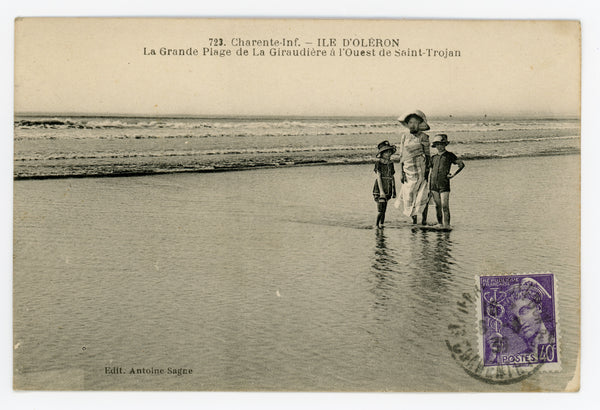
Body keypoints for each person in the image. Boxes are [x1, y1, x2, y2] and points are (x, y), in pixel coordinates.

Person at [395, 110, 431, 224]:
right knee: (409, 193)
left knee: (422, 194)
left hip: (421, 169)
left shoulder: (424, 137)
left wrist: (427, 172)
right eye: (410, 122)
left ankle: (424, 220)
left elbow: (428, 155)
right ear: (407, 124)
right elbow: (402, 154)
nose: (413, 125)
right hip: (408, 169)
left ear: (419, 124)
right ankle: (414, 219)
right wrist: (401, 172)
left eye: (415, 122)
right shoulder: (404, 136)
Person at [429, 134, 464, 228]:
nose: (439, 146)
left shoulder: (449, 155)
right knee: (437, 206)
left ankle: (447, 225)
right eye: (437, 144)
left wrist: (453, 174)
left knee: (445, 206)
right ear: (435, 145)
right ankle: (440, 224)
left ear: (445, 144)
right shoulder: (433, 157)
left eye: (442, 144)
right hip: (433, 184)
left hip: (444, 184)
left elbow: (461, 165)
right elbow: (430, 171)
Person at [373, 140, 397, 229]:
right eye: (386, 152)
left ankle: (381, 225)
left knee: (384, 210)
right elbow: (378, 177)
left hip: (388, 188)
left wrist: (394, 190)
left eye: (389, 152)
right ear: (382, 153)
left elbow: (392, 177)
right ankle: (376, 225)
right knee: (380, 209)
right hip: (380, 188)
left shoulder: (391, 164)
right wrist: (381, 191)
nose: (388, 154)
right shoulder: (378, 163)